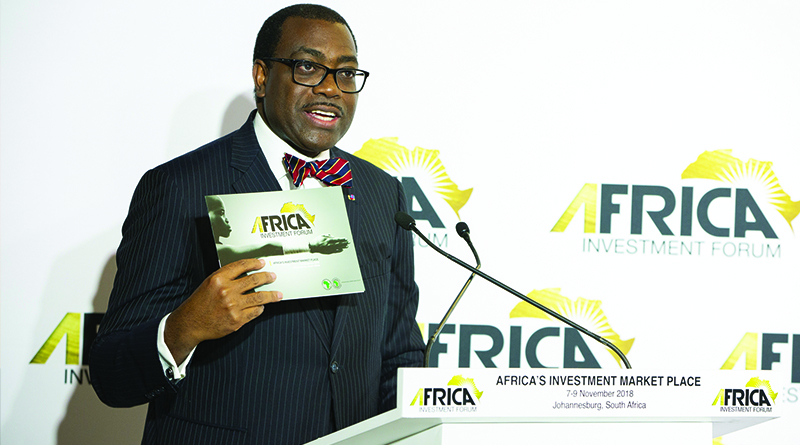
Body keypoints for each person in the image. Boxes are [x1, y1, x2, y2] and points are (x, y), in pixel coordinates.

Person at [90, 4, 425, 444]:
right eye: (308, 67)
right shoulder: (179, 187)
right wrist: (184, 327)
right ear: (262, 76)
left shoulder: (383, 193)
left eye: (346, 73)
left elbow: (399, 352)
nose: (330, 88)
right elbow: (110, 373)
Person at [206, 194, 350, 263]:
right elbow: (267, 248)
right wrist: (310, 246)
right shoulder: (220, 250)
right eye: (221, 212)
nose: (226, 219)